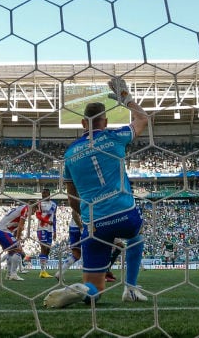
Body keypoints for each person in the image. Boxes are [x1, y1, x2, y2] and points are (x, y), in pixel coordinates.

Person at [44, 77, 149, 309]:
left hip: (94, 222)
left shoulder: (70, 153)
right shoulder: (115, 137)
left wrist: (81, 218)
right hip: (124, 212)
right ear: (106, 121)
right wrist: (126, 99)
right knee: (136, 235)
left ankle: (82, 290)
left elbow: (71, 193)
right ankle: (130, 289)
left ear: (83, 123)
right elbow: (143, 119)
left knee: (95, 290)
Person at [0, 201, 30, 281]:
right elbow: (20, 226)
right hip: (2, 231)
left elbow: (16, 228)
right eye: (35, 210)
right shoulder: (26, 208)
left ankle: (8, 274)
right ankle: (13, 274)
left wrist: (17, 236)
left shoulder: (19, 209)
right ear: (34, 207)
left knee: (11, 252)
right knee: (18, 250)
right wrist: (18, 240)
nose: (34, 213)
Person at [34, 188, 58, 278]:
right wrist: (47, 222)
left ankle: (44, 270)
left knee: (48, 249)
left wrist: (55, 231)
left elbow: (54, 218)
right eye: (43, 194)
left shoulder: (54, 204)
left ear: (49, 194)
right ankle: (42, 271)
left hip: (50, 230)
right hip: (41, 228)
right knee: (43, 248)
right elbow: (38, 215)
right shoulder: (39, 203)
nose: (43, 195)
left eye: (45, 194)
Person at [56, 210, 83, 280]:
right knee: (89, 251)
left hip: (73, 227)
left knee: (76, 255)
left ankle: (60, 273)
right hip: (81, 227)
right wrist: (81, 227)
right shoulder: (83, 200)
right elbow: (74, 213)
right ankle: (92, 274)